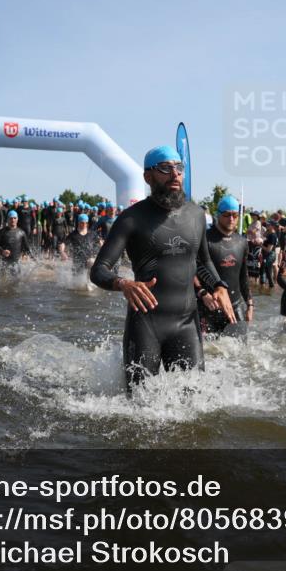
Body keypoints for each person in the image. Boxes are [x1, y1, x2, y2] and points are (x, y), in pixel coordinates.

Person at [90, 145, 234, 393]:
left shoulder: (197, 214)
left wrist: (218, 285)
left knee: (195, 405)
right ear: (148, 177)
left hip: (187, 323)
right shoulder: (131, 219)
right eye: (165, 168)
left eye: (179, 168)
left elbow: (203, 261)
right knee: (139, 407)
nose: (175, 174)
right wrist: (123, 284)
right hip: (146, 324)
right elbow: (99, 270)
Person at [197, 195, 252, 338]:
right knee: (211, 354)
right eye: (227, 214)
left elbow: (243, 275)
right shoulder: (205, 239)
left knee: (240, 353)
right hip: (209, 306)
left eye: (235, 215)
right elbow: (192, 270)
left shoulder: (242, 242)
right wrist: (202, 292)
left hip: (236, 305)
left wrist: (250, 304)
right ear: (218, 215)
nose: (231, 219)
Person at [0, 210, 33, 280]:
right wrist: (2, 251)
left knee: (16, 284)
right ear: (7, 219)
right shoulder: (2, 232)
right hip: (3, 263)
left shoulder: (21, 233)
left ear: (17, 219)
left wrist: (27, 255)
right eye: (11, 218)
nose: (13, 220)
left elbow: (27, 248)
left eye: (14, 218)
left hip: (15, 264)